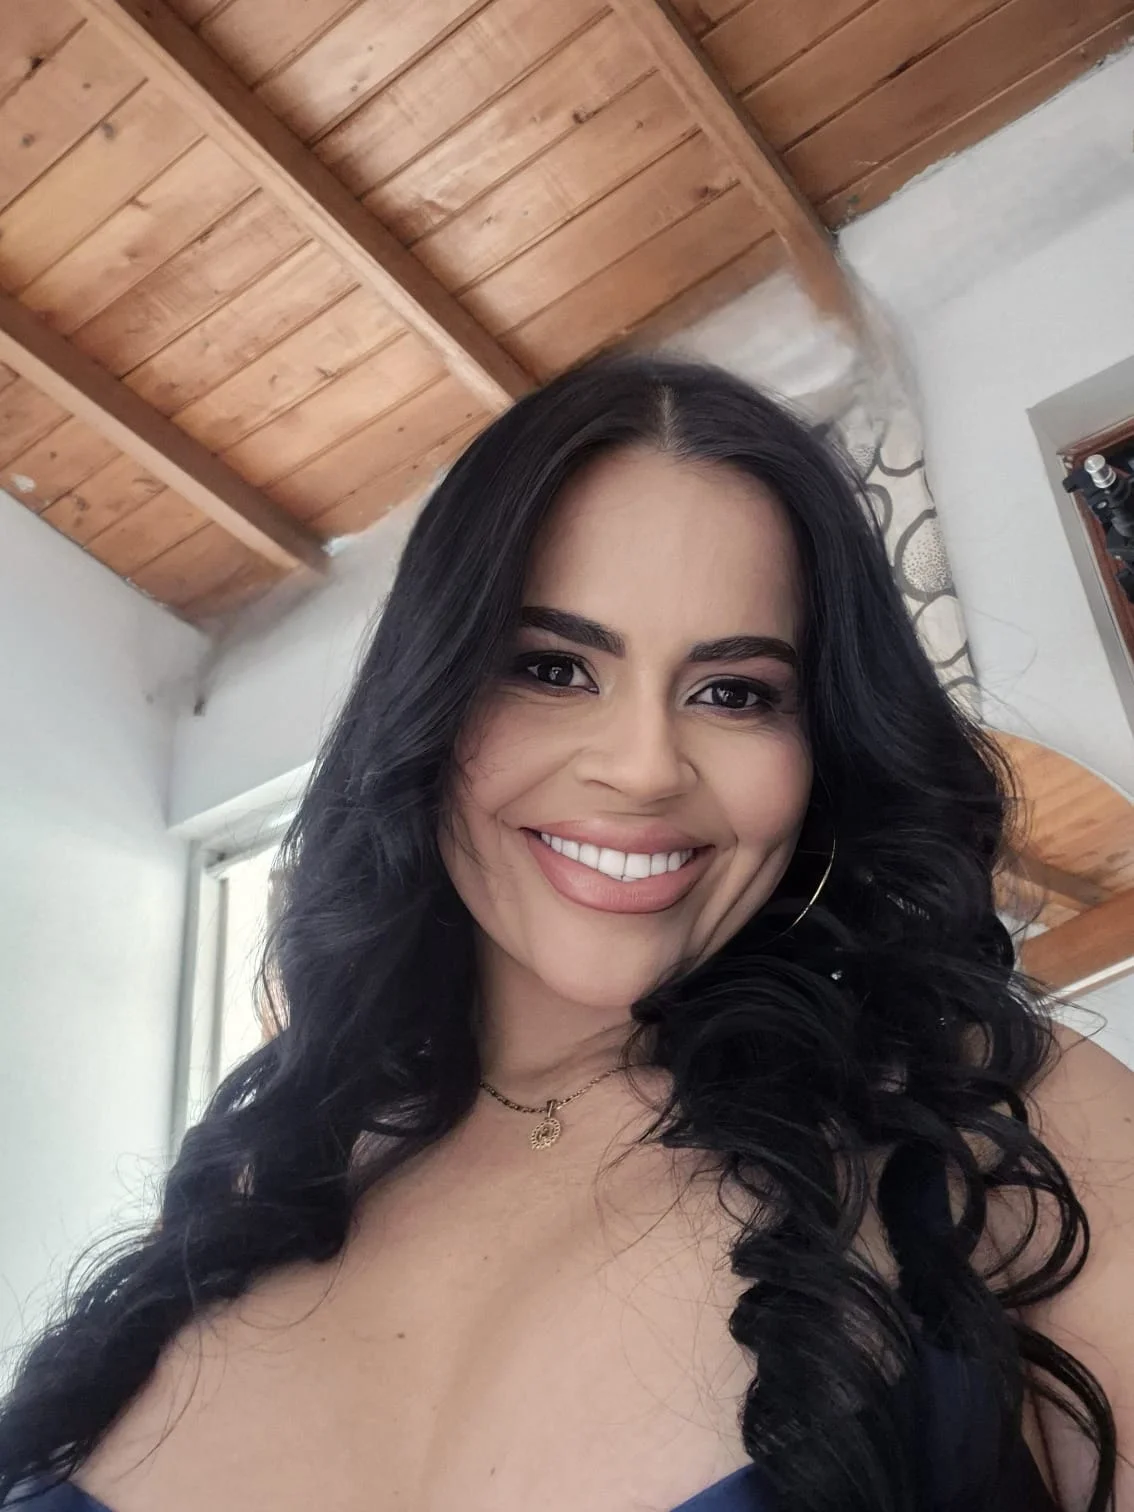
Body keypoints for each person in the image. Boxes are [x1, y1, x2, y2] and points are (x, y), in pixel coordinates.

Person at [1, 356, 1130, 1512]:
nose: (643, 768)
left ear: (824, 745)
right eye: (552, 668)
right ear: (430, 701)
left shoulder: (1007, 1128)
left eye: (735, 691)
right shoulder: (256, 1184)